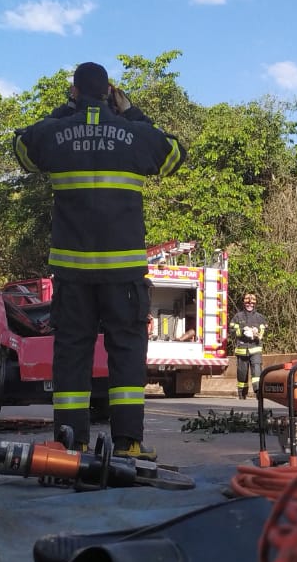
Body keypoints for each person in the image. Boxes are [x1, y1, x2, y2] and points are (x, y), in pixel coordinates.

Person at [13, 61, 186, 459]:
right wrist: (131, 112)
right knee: (126, 352)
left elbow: (22, 148)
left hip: (72, 272)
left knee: (72, 352)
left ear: (75, 91)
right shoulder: (134, 133)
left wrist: (64, 113)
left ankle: (70, 444)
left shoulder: (56, 132)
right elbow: (175, 153)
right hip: (122, 271)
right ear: (109, 91)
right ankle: (128, 444)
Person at [229, 293, 267, 399]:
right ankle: (242, 393)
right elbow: (231, 329)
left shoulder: (260, 317)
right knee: (242, 372)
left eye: (251, 303)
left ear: (255, 304)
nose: (249, 305)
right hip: (242, 350)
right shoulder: (238, 316)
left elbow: (264, 330)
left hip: (255, 349)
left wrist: (257, 332)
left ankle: (258, 392)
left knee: (257, 371)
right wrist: (241, 331)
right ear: (244, 303)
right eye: (247, 303)